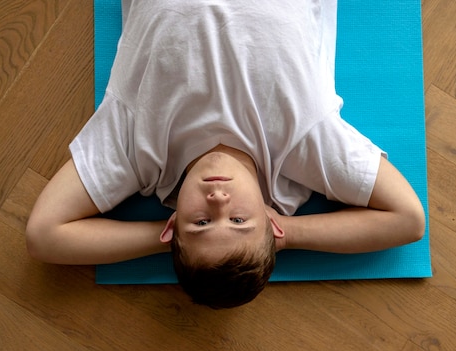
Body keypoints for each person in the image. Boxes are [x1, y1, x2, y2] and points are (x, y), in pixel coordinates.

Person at [26, 0, 426, 308]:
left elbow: (44, 236)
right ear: (272, 223)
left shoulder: (137, 149)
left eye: (201, 222)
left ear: (172, 228)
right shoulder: (304, 146)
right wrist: (289, 236)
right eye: (238, 219)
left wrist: (170, 236)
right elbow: (408, 219)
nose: (217, 200)